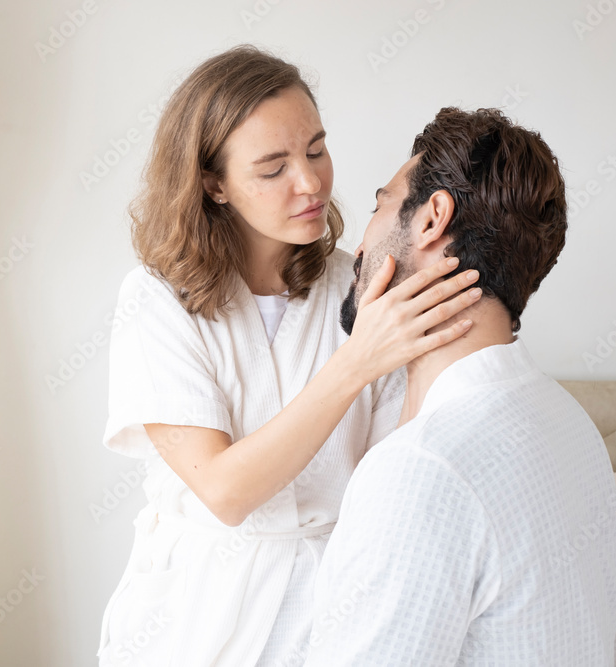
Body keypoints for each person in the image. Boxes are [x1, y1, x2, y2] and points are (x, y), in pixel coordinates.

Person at [96, 46, 483, 666]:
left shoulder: (361, 288)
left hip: (332, 599)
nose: (311, 183)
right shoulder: (156, 301)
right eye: (273, 168)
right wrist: (358, 362)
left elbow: (390, 482)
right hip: (194, 615)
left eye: (316, 150)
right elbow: (225, 492)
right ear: (213, 183)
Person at [304, 107, 616, 666]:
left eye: (380, 205)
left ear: (432, 218)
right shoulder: (568, 422)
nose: (359, 246)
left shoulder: (417, 473)